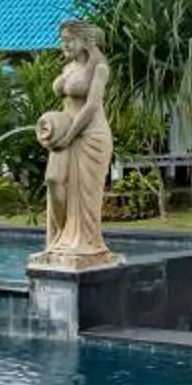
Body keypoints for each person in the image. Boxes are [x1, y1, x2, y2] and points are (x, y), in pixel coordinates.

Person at [34, 20, 115, 264]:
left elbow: (91, 107)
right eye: (62, 41)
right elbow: (61, 91)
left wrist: (69, 137)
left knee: (84, 196)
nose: (65, 45)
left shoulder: (99, 68)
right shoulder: (69, 68)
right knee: (54, 180)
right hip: (65, 133)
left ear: (84, 41)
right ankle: (59, 238)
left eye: (69, 40)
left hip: (90, 136)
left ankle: (84, 244)